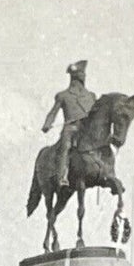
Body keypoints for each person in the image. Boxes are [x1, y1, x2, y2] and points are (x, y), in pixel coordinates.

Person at [42, 59, 97, 188]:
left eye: (83, 75)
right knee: (65, 146)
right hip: (71, 128)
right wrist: (47, 124)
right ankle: (63, 176)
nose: (82, 78)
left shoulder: (91, 96)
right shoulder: (63, 95)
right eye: (79, 76)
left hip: (87, 131)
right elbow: (53, 112)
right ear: (74, 77)